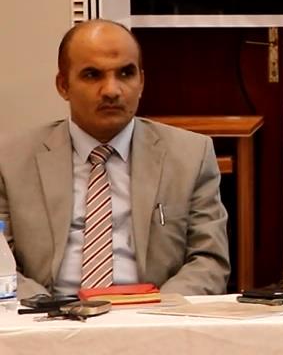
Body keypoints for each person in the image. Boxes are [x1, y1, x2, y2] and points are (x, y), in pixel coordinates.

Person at [0, 20, 230, 299]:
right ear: (63, 85)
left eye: (125, 73)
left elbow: (209, 261)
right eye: (92, 75)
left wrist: (157, 310)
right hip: (47, 315)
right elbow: (2, 267)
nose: (111, 90)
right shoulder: (11, 161)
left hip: (154, 314)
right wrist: (47, 313)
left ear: (141, 82)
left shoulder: (190, 156)